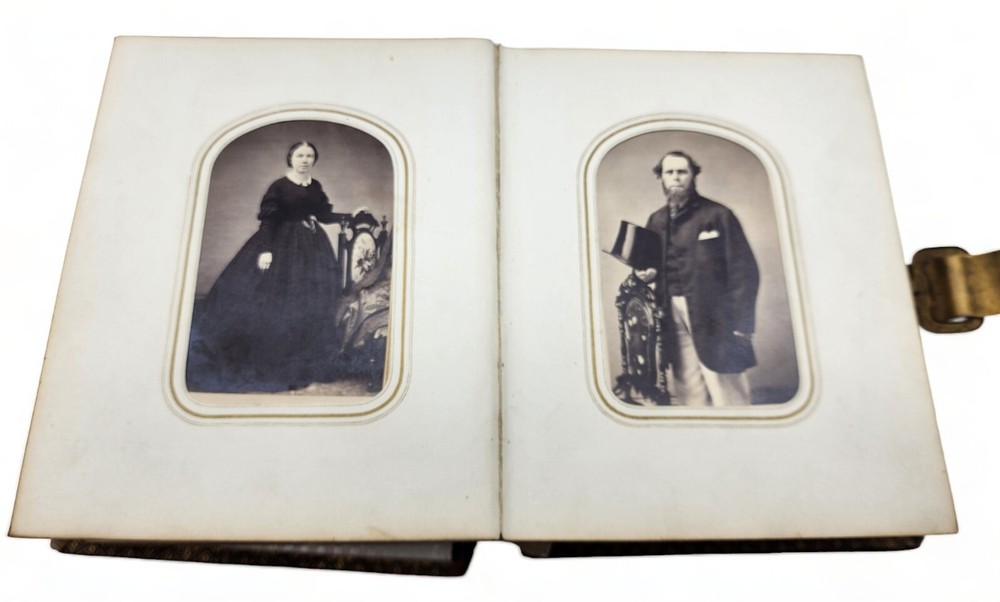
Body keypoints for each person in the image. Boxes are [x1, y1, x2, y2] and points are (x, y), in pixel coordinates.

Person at [186, 141, 346, 393]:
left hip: (312, 248)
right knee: (279, 301)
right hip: (283, 245)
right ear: (290, 158)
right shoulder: (279, 186)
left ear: (314, 160)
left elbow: (324, 215)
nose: (305, 160)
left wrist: (350, 216)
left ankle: (304, 361)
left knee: (308, 301)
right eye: (300, 155)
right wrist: (266, 250)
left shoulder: (314, 185)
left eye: (309, 156)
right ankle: (274, 361)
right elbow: (269, 221)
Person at [640, 150, 760, 406]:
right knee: (687, 382)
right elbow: (646, 266)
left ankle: (739, 426)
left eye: (682, 172)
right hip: (669, 310)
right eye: (669, 172)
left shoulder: (719, 215)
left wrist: (742, 322)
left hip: (716, 313)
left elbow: (744, 271)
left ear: (693, 176)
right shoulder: (656, 220)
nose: (676, 177)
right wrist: (645, 273)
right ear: (661, 177)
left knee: (726, 382)